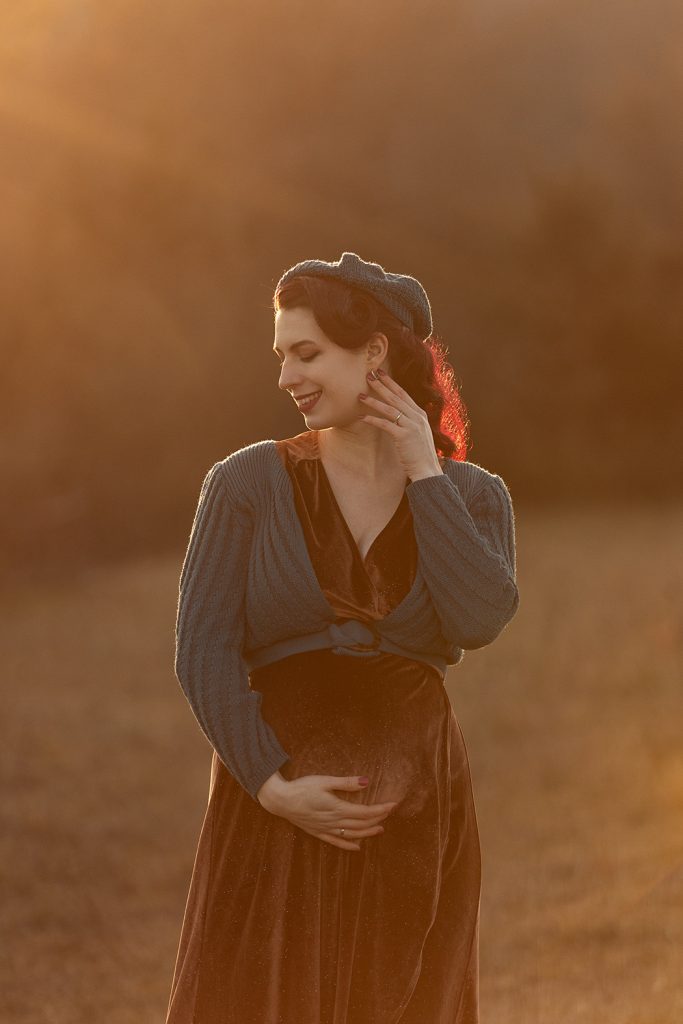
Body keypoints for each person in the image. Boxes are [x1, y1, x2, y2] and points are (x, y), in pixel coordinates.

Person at [165, 251, 520, 1024]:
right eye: (281, 355)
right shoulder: (245, 484)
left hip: (416, 815)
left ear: (374, 353)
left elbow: (479, 617)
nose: (287, 376)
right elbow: (202, 649)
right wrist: (272, 785)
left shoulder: (472, 495)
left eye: (307, 353)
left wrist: (426, 474)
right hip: (273, 811)